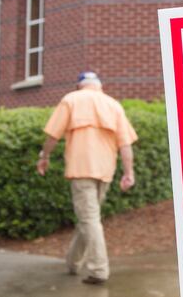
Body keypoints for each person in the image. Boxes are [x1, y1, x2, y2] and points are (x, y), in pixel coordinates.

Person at [36, 71, 138, 284]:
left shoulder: (71, 100)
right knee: (89, 219)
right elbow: (125, 144)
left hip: (81, 169)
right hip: (105, 172)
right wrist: (129, 172)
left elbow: (53, 135)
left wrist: (44, 156)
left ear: (79, 85)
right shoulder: (113, 105)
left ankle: (99, 270)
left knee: (89, 219)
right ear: (99, 86)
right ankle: (73, 262)